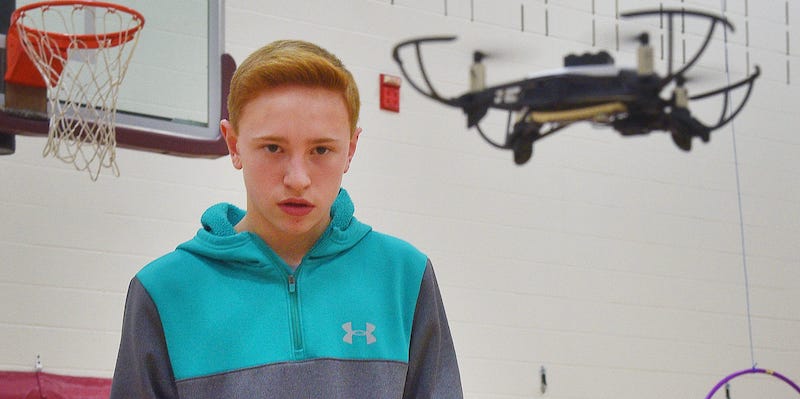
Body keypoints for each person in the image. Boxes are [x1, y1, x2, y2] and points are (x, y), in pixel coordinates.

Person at [109, 39, 463, 398]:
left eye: (321, 150)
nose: (298, 178)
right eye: (274, 148)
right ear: (234, 145)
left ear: (350, 150)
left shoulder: (404, 275)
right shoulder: (163, 291)